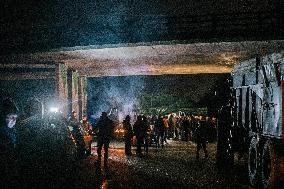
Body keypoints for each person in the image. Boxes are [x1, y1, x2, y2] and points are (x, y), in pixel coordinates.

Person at [0, 98, 20, 187]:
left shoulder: (14, 131)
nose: (14, 121)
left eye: (15, 118)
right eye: (11, 117)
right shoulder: (3, 132)